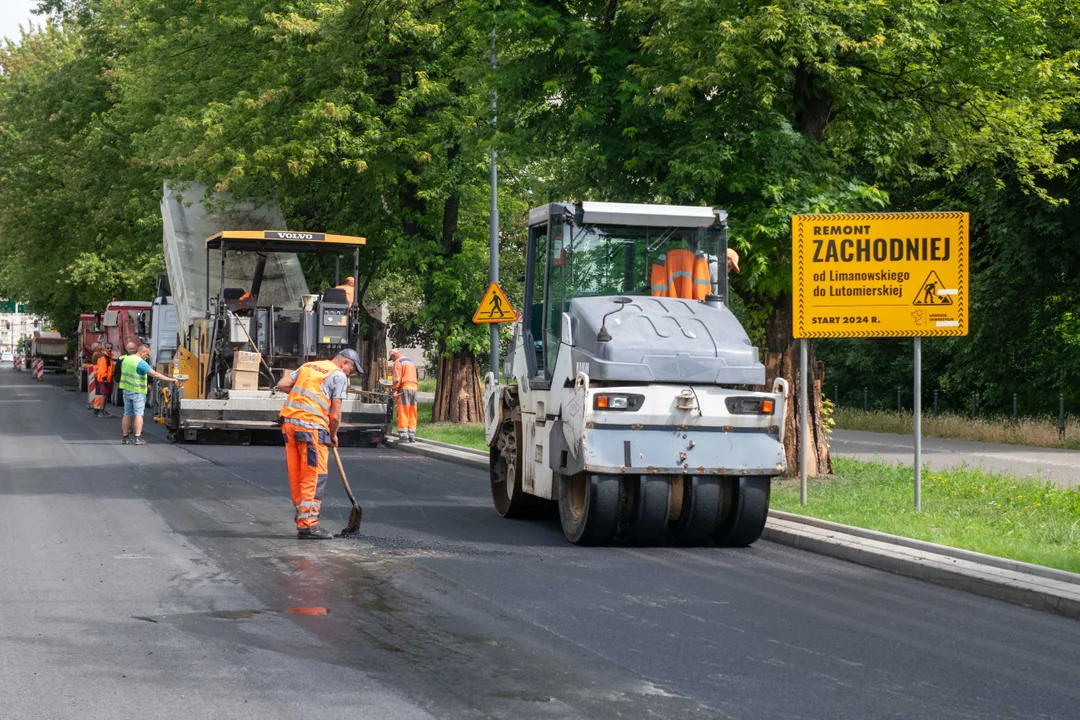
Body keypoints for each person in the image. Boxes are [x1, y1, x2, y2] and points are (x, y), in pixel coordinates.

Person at [276, 349, 363, 540]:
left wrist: (305, 398)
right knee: (314, 476)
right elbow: (335, 415)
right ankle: (308, 526)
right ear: (344, 363)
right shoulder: (338, 375)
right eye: (352, 370)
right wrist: (333, 434)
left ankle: (302, 517)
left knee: (297, 474)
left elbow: (283, 384)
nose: (350, 375)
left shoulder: (309, 366)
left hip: (289, 425)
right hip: (312, 429)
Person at [119, 344, 178, 446]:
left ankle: (125, 437)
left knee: (127, 413)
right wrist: (171, 380)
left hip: (126, 390)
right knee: (138, 413)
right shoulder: (140, 362)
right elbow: (155, 374)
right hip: (137, 391)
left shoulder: (126, 360)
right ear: (141, 352)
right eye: (146, 354)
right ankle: (138, 437)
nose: (146, 357)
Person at [389, 349, 419, 443]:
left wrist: (394, 390)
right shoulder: (410, 362)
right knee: (412, 411)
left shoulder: (398, 362)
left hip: (404, 388)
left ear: (394, 356)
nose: (392, 360)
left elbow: (397, 378)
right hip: (414, 388)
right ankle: (411, 435)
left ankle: (403, 436)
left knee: (403, 411)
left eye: (392, 358)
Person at [93, 344, 115, 418]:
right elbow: (102, 369)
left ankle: (103, 410)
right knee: (104, 395)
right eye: (108, 348)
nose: (109, 349)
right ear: (105, 348)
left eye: (111, 348)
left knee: (105, 396)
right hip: (105, 380)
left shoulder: (109, 357)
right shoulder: (104, 357)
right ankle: (101, 411)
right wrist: (104, 379)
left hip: (108, 379)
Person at [87, 342, 103, 410]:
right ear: (96, 348)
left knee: (99, 391)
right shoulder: (97, 355)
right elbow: (105, 359)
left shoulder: (97, 354)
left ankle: (97, 406)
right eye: (99, 345)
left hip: (98, 375)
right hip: (98, 375)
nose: (101, 345)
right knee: (99, 392)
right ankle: (97, 407)